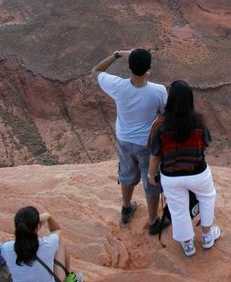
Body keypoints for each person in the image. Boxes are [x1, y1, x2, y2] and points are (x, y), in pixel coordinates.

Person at [93, 47, 169, 234]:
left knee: (126, 173)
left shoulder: (117, 86)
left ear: (129, 67)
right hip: (147, 144)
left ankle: (126, 207)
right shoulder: (158, 91)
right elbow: (164, 114)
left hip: (124, 139)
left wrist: (117, 54)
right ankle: (153, 222)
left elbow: (96, 72)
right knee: (151, 180)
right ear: (149, 68)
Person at [148, 81, 220, 257]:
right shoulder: (198, 121)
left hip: (171, 176)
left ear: (170, 100)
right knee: (207, 198)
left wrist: (152, 174)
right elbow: (206, 143)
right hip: (197, 172)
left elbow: (155, 153)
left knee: (178, 208)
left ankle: (188, 245)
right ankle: (207, 237)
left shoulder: (160, 124)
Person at [1, 207, 73, 282]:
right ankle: (69, 277)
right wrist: (48, 216)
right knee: (60, 241)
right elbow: (57, 230)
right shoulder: (48, 244)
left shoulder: (6, 248)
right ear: (38, 226)